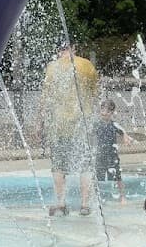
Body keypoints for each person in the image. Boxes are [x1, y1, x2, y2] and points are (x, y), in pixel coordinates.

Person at [36, 43, 100, 216]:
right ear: (74, 48)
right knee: (85, 165)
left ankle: (61, 203)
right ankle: (85, 205)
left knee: (58, 167)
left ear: (59, 50)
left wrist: (39, 123)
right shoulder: (86, 65)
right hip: (82, 123)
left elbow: (45, 99)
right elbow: (95, 95)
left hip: (59, 125)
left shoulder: (52, 67)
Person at [93, 98, 132, 201]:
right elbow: (89, 134)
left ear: (111, 112)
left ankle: (122, 196)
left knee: (117, 177)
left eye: (107, 110)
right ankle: (97, 197)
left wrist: (126, 137)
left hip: (112, 155)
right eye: (102, 109)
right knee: (98, 178)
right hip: (100, 155)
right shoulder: (96, 124)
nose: (104, 112)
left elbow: (123, 131)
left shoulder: (113, 124)